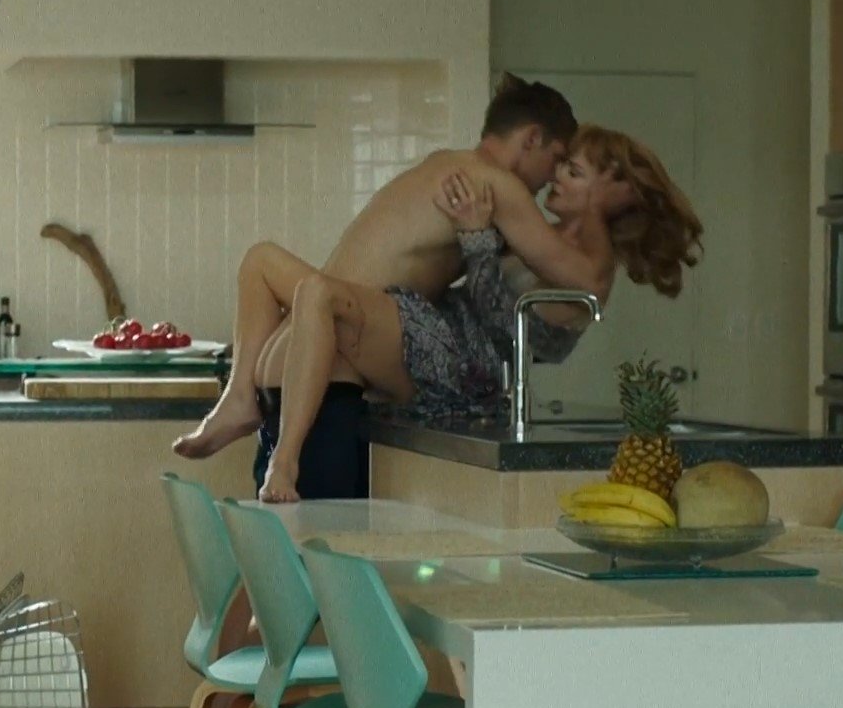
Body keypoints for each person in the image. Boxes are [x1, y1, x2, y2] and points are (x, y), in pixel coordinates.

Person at [172, 74, 600, 493]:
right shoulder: (496, 186)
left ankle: (240, 397)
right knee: (318, 294)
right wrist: (599, 203)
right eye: (556, 159)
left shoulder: (444, 164)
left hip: (289, 370)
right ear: (532, 138)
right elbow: (584, 279)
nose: (553, 177)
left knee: (260, 259)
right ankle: (276, 449)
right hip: (328, 360)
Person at [253, 124, 704, 501]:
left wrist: (475, 239)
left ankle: (283, 459)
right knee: (271, 267)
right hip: (436, 335)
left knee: (323, 297)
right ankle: (247, 406)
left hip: (462, 369)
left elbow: (507, 326)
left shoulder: (591, 271)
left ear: (617, 191)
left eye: (574, 171)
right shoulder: (547, 238)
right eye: (562, 165)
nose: (556, 177)